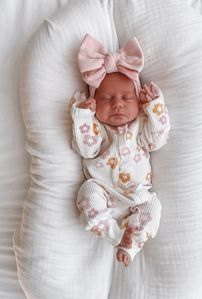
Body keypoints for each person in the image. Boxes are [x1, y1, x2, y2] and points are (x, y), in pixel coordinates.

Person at [70, 33, 170, 267]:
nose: (117, 103)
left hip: (137, 194)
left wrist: (155, 108)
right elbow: (86, 150)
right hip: (102, 189)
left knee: (153, 207)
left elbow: (158, 139)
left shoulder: (141, 125)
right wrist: (83, 116)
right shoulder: (97, 127)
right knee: (86, 193)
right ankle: (115, 234)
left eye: (127, 97)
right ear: (95, 103)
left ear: (138, 101)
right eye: (106, 98)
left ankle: (132, 242)